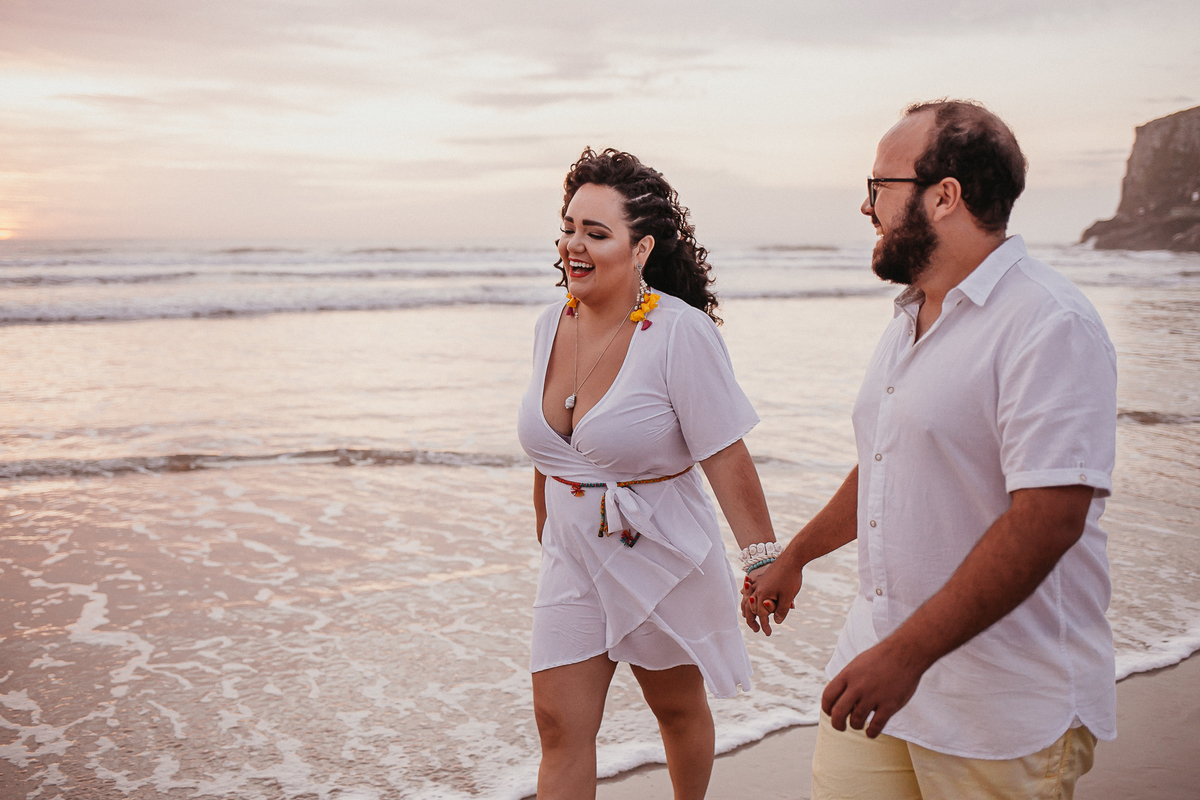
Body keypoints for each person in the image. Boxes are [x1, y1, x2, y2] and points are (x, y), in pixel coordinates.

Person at [746, 100, 1118, 799]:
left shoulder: (1050, 323)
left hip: (1000, 705)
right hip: (875, 671)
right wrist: (796, 555)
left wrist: (908, 655)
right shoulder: (911, 315)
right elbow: (888, 460)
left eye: (879, 186)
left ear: (945, 196)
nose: (866, 206)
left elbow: (1048, 518)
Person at [516, 147, 780, 800]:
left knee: (676, 710)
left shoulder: (680, 333)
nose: (574, 246)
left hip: (658, 550)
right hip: (572, 557)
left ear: (640, 249)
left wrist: (764, 559)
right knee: (558, 724)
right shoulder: (551, 324)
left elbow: (725, 454)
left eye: (596, 233)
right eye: (569, 228)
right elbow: (550, 451)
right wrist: (550, 529)